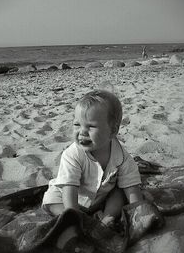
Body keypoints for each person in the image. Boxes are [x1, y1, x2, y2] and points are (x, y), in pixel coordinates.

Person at [41, 90, 143, 251]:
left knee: (120, 191)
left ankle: (107, 217)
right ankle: (77, 220)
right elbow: (69, 189)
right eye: (77, 124)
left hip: (99, 197)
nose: (82, 131)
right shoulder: (72, 154)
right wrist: (74, 221)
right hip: (67, 197)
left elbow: (132, 187)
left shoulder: (122, 156)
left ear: (113, 131)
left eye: (91, 126)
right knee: (53, 202)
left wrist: (139, 211)